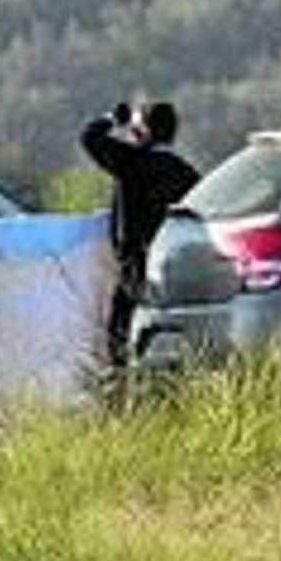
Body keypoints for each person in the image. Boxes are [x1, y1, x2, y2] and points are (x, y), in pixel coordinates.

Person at [80, 101, 200, 367]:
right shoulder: (185, 172)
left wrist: (115, 118)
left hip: (134, 261)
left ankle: (121, 382)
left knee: (122, 327)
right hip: (173, 263)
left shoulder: (132, 162)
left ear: (143, 130)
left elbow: (89, 137)